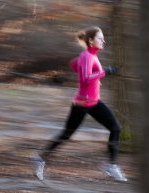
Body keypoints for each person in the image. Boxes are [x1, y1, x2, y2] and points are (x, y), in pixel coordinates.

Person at [31, 26, 127, 182]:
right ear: (91, 40)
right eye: (100, 38)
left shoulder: (89, 56)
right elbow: (86, 78)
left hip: (93, 102)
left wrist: (71, 73)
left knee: (115, 128)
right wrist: (105, 72)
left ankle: (111, 165)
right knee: (67, 134)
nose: (104, 40)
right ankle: (40, 158)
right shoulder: (88, 56)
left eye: (103, 38)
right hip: (83, 104)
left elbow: (74, 64)